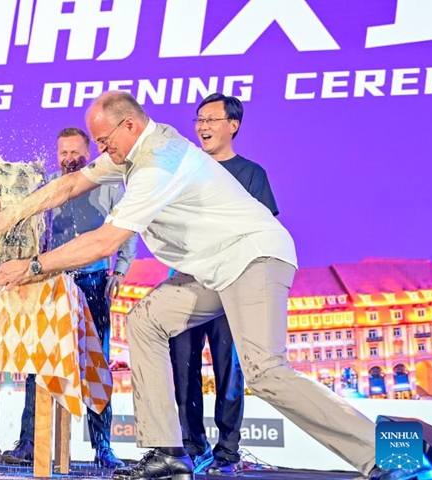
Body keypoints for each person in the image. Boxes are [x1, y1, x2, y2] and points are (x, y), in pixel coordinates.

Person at [0, 91, 410, 480]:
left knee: (265, 371)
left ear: (129, 125)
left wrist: (33, 266)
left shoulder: (158, 164)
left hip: (252, 256)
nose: (102, 150)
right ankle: (168, 452)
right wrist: (10, 214)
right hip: (212, 269)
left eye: (105, 140)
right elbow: (72, 183)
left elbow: (105, 242)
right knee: (146, 321)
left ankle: (384, 455)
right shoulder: (133, 150)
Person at [0, 127, 137, 468]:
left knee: (96, 363)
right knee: (39, 362)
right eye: (63, 153)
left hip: (92, 283)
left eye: (76, 152)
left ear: (88, 153)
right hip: (52, 284)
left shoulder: (109, 184)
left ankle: (103, 448)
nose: (70, 159)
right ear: (56, 155)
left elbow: (129, 230)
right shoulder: (46, 187)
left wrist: (119, 270)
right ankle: (29, 443)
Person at [168, 93, 279, 476]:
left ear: (233, 125)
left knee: (228, 370)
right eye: (199, 119)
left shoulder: (252, 174)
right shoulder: (185, 173)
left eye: (212, 119)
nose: (202, 126)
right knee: (182, 370)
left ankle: (227, 453)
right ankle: (190, 447)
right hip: (185, 282)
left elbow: (262, 229)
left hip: (230, 284)